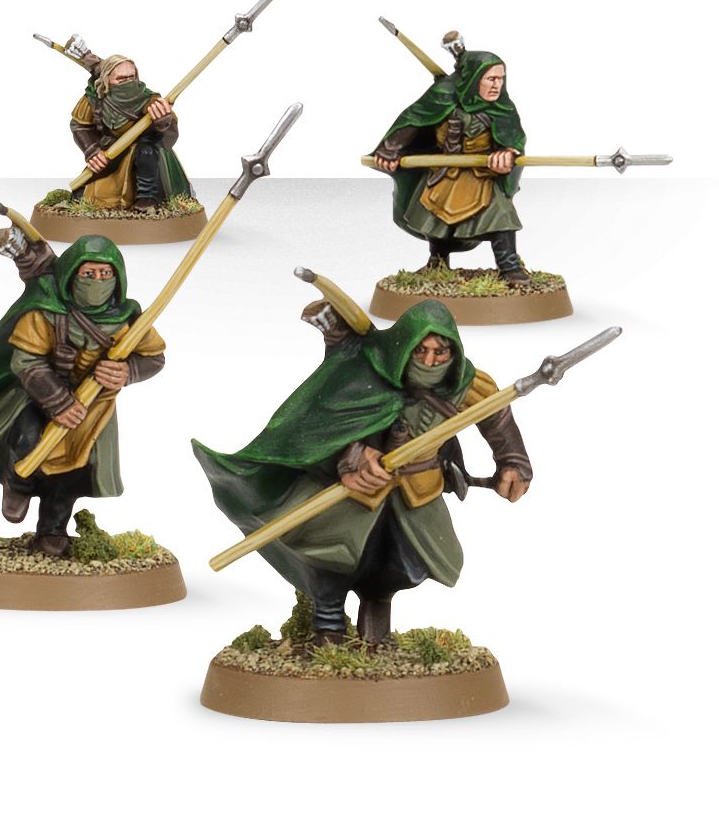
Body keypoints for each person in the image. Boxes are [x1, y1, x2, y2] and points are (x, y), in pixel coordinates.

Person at [193, 299, 531, 644]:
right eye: (421, 351)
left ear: (453, 352)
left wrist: (513, 462)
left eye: (440, 352)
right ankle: (328, 628)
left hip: (417, 490)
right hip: (354, 492)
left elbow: (496, 415)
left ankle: (376, 636)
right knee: (330, 555)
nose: (430, 362)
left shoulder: (465, 384)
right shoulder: (367, 372)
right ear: (405, 347)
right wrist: (352, 455)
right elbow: (323, 421)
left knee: (403, 563)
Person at [0, 234, 165, 555]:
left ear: (118, 278)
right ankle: (17, 484)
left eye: (105, 274)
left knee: (73, 472)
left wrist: (128, 371)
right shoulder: (48, 311)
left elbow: (154, 357)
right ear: (72, 275)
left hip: (93, 413)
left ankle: (52, 530)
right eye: (88, 273)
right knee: (25, 438)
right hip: (39, 398)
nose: (97, 281)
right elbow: (26, 361)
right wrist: (58, 401)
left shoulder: (129, 319)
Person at [373, 49, 530, 283]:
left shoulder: (503, 108)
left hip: (480, 176)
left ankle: (509, 267)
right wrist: (391, 148)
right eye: (491, 78)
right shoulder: (443, 98)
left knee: (502, 216)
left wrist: (507, 153)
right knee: (435, 218)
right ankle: (437, 261)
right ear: (474, 79)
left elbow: (513, 137)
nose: (497, 85)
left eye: (501, 78)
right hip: (443, 174)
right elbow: (416, 119)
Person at [70, 53, 193, 211]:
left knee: (146, 152)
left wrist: (163, 121)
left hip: (146, 153)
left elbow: (169, 134)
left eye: (131, 77)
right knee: (84, 192)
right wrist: (92, 151)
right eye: (121, 79)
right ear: (107, 80)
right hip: (111, 150)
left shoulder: (148, 99)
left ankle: (146, 198)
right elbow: (80, 125)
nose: (128, 82)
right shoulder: (95, 99)